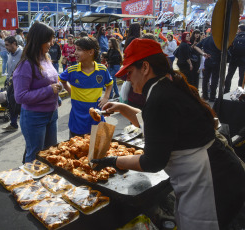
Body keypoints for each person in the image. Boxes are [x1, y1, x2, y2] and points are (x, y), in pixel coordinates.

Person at [91, 38, 245, 230]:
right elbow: (158, 124)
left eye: (130, 72)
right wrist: (122, 108)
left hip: (211, 181)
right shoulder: (167, 85)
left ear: (145, 67)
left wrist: (113, 161)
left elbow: (152, 162)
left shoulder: (160, 97)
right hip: (214, 170)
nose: (127, 79)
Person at [13, 22, 60, 163]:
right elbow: (20, 97)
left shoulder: (46, 58)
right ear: (39, 40)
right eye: (49, 39)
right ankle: (31, 183)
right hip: (34, 117)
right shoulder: (26, 65)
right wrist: (49, 90)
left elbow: (50, 81)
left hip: (52, 114)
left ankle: (47, 182)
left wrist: (56, 95)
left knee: (51, 153)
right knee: (35, 157)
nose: (52, 43)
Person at [59, 36, 113, 137]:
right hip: (77, 121)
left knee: (97, 149)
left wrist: (106, 97)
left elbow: (110, 83)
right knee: (77, 148)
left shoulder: (102, 70)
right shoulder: (71, 70)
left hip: (96, 120)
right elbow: (62, 80)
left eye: (79, 50)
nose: (75, 52)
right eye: (75, 49)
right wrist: (70, 91)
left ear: (91, 52)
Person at [3, 36, 23, 132]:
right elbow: (10, 68)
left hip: (21, 83)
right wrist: (7, 80)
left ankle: (24, 123)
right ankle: (13, 124)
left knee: (19, 104)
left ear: (14, 44)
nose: (5, 47)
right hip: (11, 82)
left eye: (7, 45)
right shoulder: (10, 54)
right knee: (11, 103)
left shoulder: (23, 53)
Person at [194, 34, 221, 102]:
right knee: (214, 79)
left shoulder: (206, 39)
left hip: (208, 60)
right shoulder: (219, 39)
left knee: (205, 78)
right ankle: (212, 96)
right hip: (216, 60)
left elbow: (196, 47)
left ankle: (205, 96)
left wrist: (203, 54)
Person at [224, 24, 245, 93]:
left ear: (239, 30)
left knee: (229, 75)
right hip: (243, 60)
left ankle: (226, 90)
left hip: (234, 59)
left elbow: (229, 47)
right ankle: (239, 92)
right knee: (241, 76)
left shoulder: (234, 37)